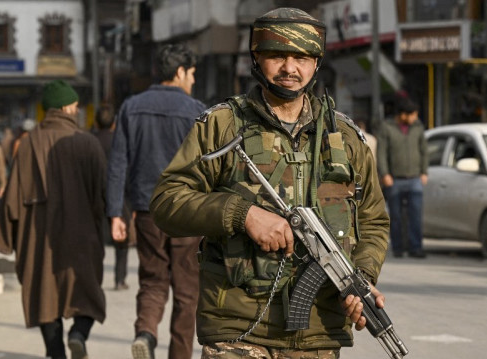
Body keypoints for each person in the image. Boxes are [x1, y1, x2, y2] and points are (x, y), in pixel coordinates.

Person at [149, 8, 389, 358]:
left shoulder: (346, 138)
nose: (290, 68)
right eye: (278, 55)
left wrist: (363, 277)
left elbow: (373, 220)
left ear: (317, 62)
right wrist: (241, 214)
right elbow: (167, 202)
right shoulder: (223, 126)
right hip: (236, 328)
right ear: (256, 58)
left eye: (302, 57)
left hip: (318, 335)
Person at [0, 80, 107, 359]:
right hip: (81, 234)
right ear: (66, 107)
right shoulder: (87, 142)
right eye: (76, 106)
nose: (77, 111)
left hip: (37, 237)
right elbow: (102, 193)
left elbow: (13, 195)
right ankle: (78, 334)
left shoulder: (27, 144)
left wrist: (5, 237)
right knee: (88, 292)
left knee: (44, 297)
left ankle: (56, 353)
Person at [106, 44, 206, 359]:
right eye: (191, 74)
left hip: (148, 211)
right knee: (188, 293)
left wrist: (115, 214)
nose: (192, 81)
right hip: (189, 213)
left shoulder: (131, 107)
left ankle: (146, 333)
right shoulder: (197, 111)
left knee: (152, 281)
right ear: (179, 72)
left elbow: (118, 163)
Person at [375, 97, 428, 258]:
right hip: (394, 179)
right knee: (396, 216)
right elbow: (382, 153)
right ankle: (398, 247)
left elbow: (424, 151)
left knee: (416, 216)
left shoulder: (418, 127)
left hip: (414, 179)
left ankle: (415, 247)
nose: (416, 118)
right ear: (404, 115)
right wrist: (385, 174)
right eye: (413, 115)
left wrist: (424, 171)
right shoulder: (386, 127)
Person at [93, 104, 132, 291]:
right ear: (114, 124)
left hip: (94, 197)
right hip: (119, 196)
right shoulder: (120, 140)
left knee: (95, 242)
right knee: (122, 242)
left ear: (96, 122)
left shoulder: (89, 141)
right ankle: (119, 279)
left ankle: (95, 279)